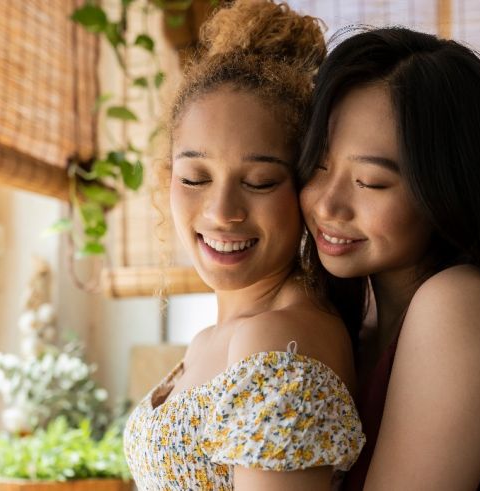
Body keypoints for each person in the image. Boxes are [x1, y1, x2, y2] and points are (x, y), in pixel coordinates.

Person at [298, 27, 480, 490]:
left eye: (371, 182)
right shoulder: (353, 317)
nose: (327, 206)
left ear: (447, 191)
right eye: (317, 164)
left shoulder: (459, 304)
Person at [123, 2, 365, 490]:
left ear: (303, 190)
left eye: (258, 181)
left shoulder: (279, 346)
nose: (221, 211)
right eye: (195, 177)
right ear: (167, 179)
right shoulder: (217, 338)